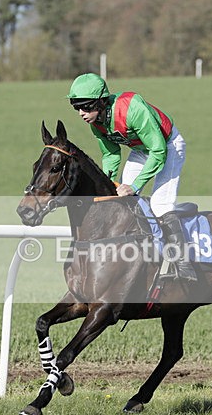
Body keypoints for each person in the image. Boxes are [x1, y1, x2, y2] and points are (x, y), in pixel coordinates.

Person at [67, 72, 196, 281]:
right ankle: (138, 256)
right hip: (141, 150)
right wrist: (106, 185)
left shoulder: (132, 109)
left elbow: (159, 151)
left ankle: (183, 263)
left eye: (87, 106)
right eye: (77, 107)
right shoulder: (96, 122)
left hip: (168, 146)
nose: (82, 113)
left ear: (101, 101)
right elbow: (110, 154)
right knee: (123, 201)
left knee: (160, 204)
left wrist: (135, 186)